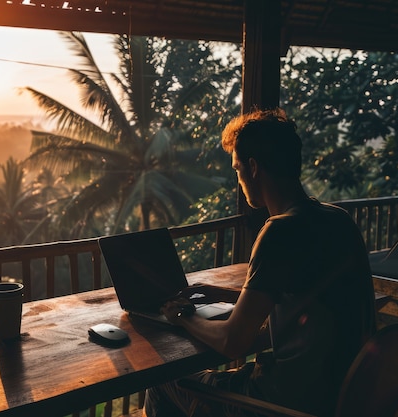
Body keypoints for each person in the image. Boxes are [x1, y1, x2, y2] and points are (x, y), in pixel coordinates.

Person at [143, 108, 376, 417]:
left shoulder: (279, 231)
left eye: (237, 169)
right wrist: (222, 295)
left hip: (282, 403)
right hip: (342, 395)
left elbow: (232, 342)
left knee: (162, 382)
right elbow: (300, 299)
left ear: (253, 168)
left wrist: (183, 316)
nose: (238, 179)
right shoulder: (338, 220)